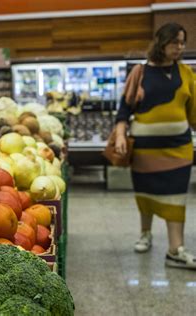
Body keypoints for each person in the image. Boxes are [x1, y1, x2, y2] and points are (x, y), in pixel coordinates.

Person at [115, 23, 196, 269]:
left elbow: (193, 114)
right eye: (175, 42)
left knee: (176, 198)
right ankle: (145, 234)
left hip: (178, 150)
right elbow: (123, 110)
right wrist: (120, 135)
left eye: (182, 42)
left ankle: (175, 249)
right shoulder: (140, 73)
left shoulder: (186, 73)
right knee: (146, 195)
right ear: (161, 42)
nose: (180, 47)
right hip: (144, 152)